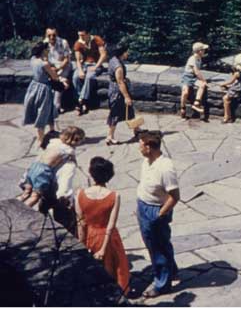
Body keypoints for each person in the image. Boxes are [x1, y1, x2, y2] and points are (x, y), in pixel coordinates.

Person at [76, 157, 131, 295]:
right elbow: (111, 225)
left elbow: (81, 223)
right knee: (114, 270)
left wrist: (82, 245)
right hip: (109, 240)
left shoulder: (80, 194)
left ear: (91, 173)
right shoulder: (114, 196)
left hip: (90, 236)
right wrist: (103, 249)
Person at [136, 130, 180, 298]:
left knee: (157, 248)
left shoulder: (165, 169)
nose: (139, 149)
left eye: (141, 146)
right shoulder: (147, 161)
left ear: (149, 147)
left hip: (155, 210)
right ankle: (171, 271)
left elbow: (175, 197)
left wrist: (159, 215)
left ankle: (162, 284)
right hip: (143, 206)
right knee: (159, 244)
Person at [18, 126, 85, 208]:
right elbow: (73, 161)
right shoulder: (69, 150)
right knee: (35, 196)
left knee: (26, 192)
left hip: (34, 167)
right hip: (43, 172)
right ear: (74, 140)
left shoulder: (54, 143)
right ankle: (22, 210)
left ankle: (14, 205)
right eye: (80, 140)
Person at [23, 41, 64, 147]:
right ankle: (40, 139)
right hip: (44, 88)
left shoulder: (33, 59)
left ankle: (52, 130)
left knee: (50, 108)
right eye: (47, 50)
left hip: (35, 85)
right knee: (43, 111)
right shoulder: (44, 64)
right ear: (43, 51)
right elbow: (54, 76)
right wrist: (57, 72)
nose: (48, 51)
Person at [106, 43, 139, 145]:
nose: (127, 53)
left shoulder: (113, 59)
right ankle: (110, 137)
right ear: (122, 53)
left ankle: (136, 130)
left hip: (114, 89)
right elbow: (120, 82)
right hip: (118, 93)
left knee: (129, 111)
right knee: (115, 114)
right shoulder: (118, 66)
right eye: (126, 51)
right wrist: (127, 97)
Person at [72, 29, 107, 116]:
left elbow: (103, 55)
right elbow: (77, 59)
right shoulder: (78, 43)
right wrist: (80, 70)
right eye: (79, 35)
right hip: (84, 65)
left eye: (83, 35)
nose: (81, 37)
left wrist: (96, 66)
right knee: (75, 77)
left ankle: (81, 101)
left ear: (88, 34)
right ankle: (82, 101)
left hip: (95, 64)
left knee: (89, 77)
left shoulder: (96, 39)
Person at [44, 28, 72, 114]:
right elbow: (44, 59)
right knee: (52, 81)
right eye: (49, 35)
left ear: (57, 34)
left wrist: (58, 69)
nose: (52, 37)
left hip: (63, 66)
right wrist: (51, 69)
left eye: (54, 35)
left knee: (58, 81)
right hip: (51, 67)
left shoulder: (63, 43)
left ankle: (56, 106)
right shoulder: (44, 43)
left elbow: (66, 60)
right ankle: (52, 106)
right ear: (46, 35)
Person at [180, 42, 209, 119]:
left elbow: (196, 73)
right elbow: (196, 72)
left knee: (202, 85)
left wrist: (203, 82)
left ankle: (196, 103)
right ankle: (183, 108)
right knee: (185, 92)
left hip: (194, 78)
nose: (204, 51)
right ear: (199, 51)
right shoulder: (192, 59)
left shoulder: (199, 58)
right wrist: (204, 80)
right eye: (203, 50)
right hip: (187, 77)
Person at [220, 53, 241, 124]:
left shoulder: (237, 74)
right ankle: (228, 116)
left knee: (225, 98)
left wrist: (223, 84)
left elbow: (230, 82)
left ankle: (227, 116)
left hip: (239, 87)